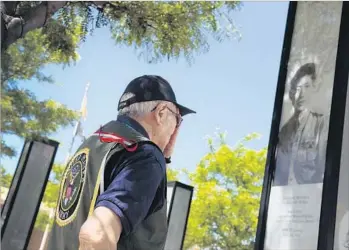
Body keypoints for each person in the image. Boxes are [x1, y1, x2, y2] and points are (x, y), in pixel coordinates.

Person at [47, 75, 196, 250]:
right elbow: (96, 235)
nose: (176, 129)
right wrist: (154, 158)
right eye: (177, 119)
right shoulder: (145, 155)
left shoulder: (92, 145)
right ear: (161, 113)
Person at [274, 62, 329, 186]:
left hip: (311, 198)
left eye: (307, 86)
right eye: (297, 89)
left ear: (314, 88)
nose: (301, 94)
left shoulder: (321, 123)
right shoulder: (285, 131)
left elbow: (323, 170)